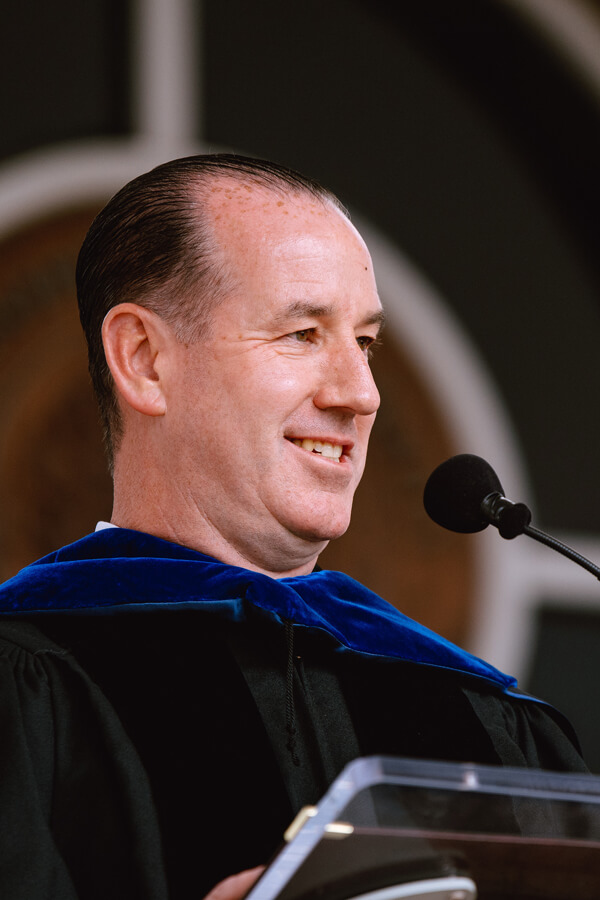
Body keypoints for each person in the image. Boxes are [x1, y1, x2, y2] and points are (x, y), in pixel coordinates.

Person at [0, 155, 587, 900]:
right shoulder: (28, 685)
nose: (360, 394)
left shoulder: (480, 717)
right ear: (145, 360)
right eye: (303, 334)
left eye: (365, 343)